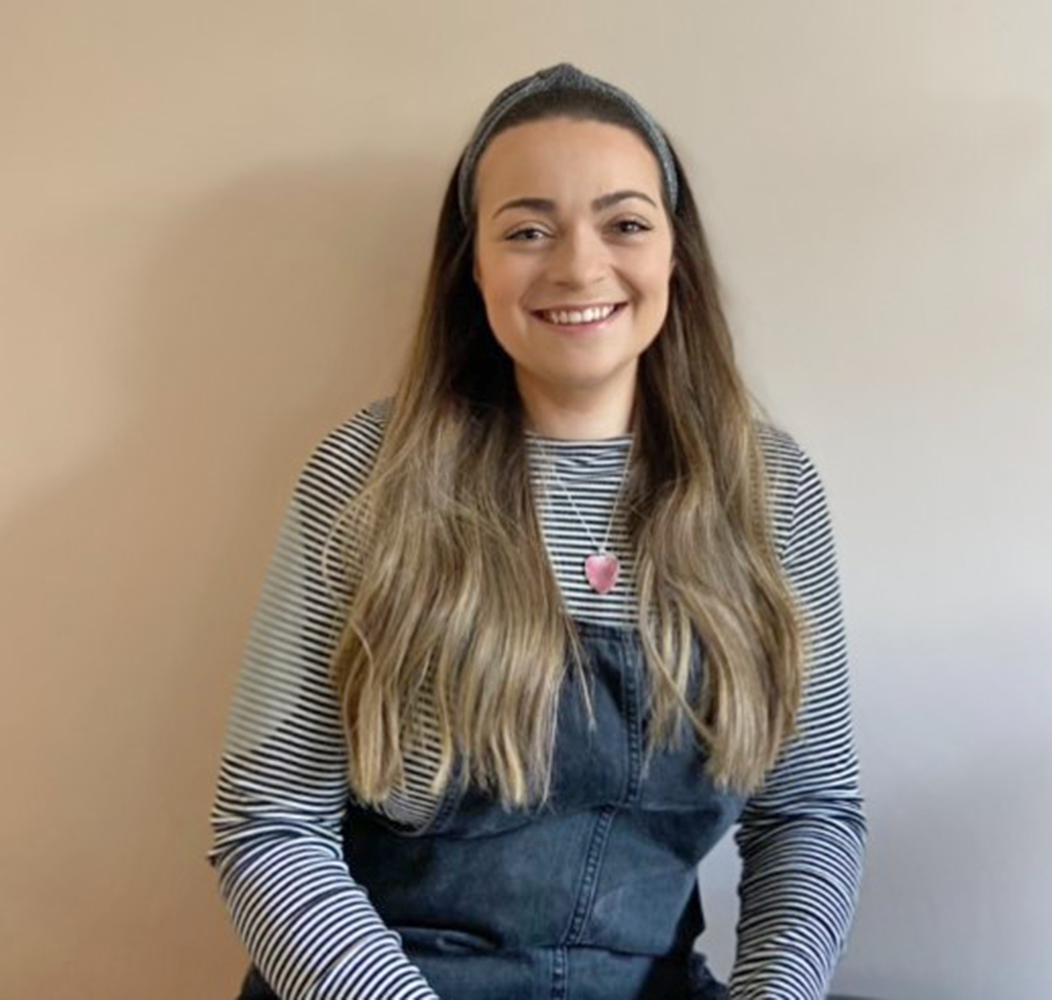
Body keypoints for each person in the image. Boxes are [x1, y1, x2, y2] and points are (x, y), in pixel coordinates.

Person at [206, 62, 867, 1000]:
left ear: (673, 253)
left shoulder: (769, 488)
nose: (578, 266)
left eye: (625, 223)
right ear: (471, 264)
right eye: (526, 231)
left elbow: (810, 810)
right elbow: (268, 824)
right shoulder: (366, 475)